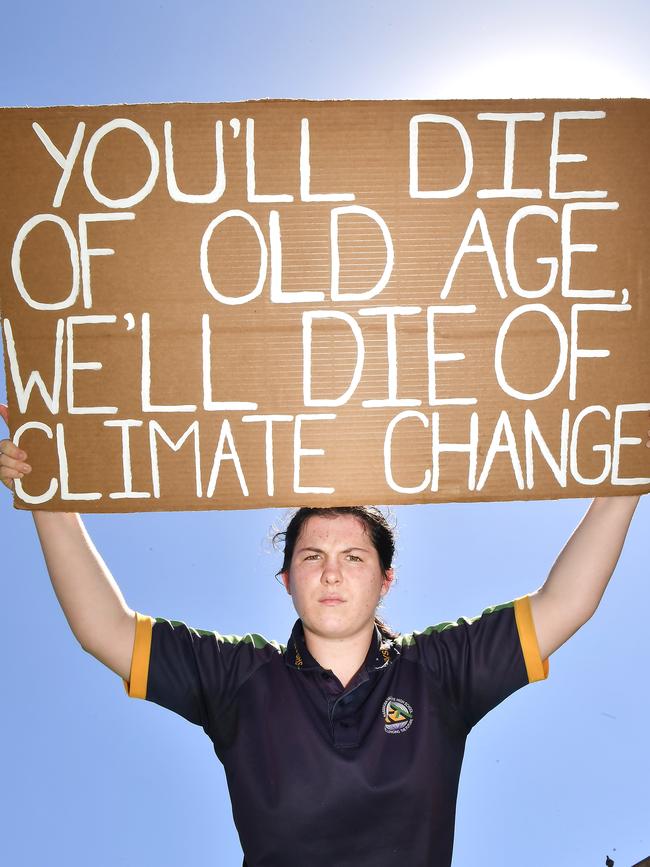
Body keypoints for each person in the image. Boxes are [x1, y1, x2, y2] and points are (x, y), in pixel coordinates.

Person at [0, 400, 647, 867]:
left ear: (386, 579)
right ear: (286, 577)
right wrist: (48, 495)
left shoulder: (438, 671)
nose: (332, 571)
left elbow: (566, 601)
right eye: (312, 555)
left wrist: (627, 480)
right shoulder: (241, 679)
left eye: (354, 556)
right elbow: (104, 627)